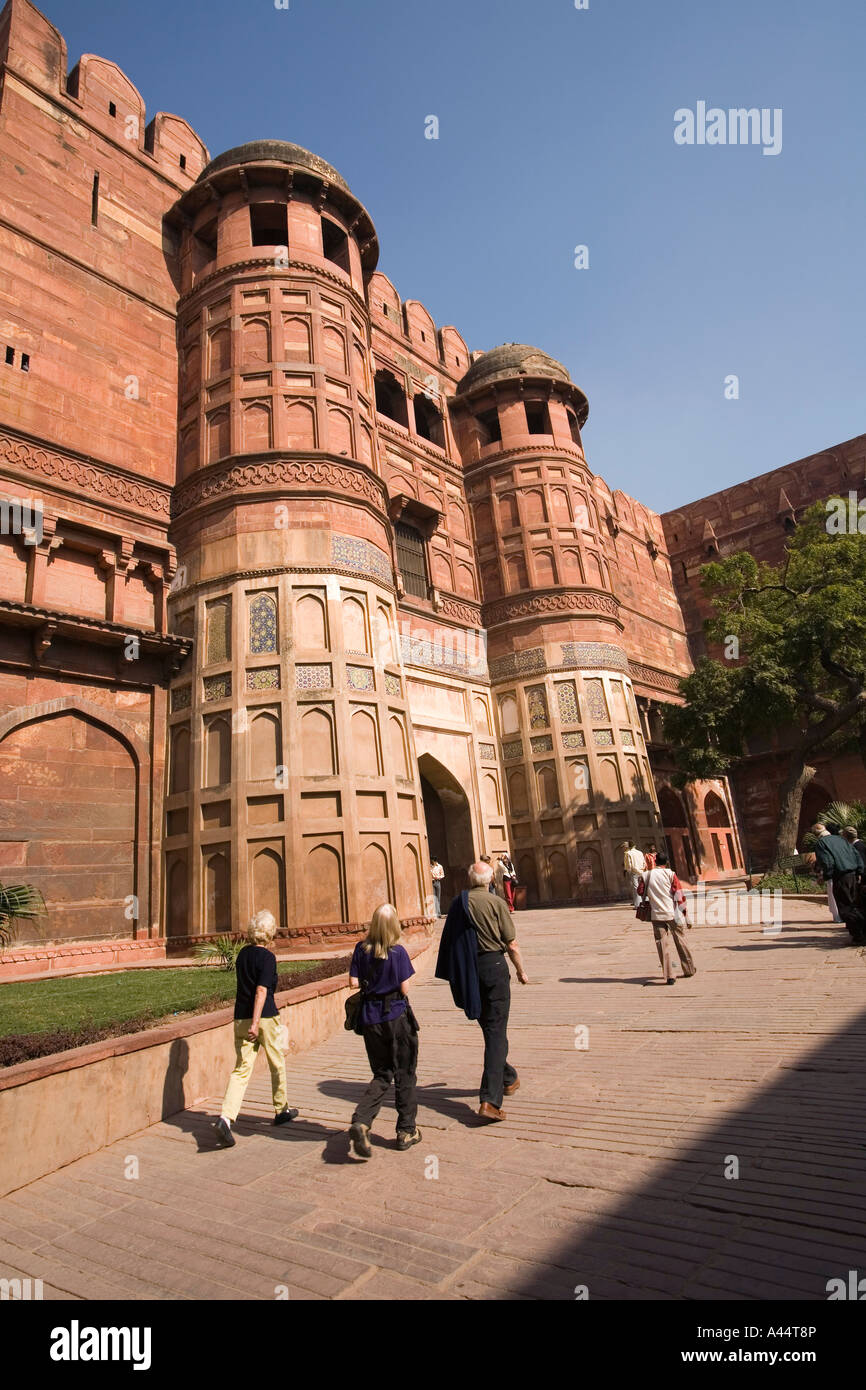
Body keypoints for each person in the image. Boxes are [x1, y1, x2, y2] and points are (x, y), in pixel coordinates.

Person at [435, 861, 529, 1122]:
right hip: (494, 968)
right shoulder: (496, 903)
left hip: (469, 972)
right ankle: (490, 1100)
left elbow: (450, 942)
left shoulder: (457, 904)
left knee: (491, 1029)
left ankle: (508, 1077)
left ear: (469, 879)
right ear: (490, 880)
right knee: (496, 1031)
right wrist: (521, 971)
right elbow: (512, 943)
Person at [214, 910, 299, 1146]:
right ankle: (281, 1110)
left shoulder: (242, 955)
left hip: (239, 1018)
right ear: (270, 932)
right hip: (263, 1018)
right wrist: (256, 1022)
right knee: (276, 1062)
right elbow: (261, 991)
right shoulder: (267, 958)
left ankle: (225, 1118)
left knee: (241, 1070)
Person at [348, 904, 421, 1158]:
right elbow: (404, 988)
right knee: (404, 1072)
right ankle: (406, 1130)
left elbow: (353, 982)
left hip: (370, 1019)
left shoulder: (361, 949)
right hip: (396, 1018)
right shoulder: (398, 953)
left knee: (381, 1073)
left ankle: (362, 1120)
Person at [637, 851, 696, 985]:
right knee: (681, 940)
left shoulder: (646, 875)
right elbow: (679, 895)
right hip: (672, 913)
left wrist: (644, 875)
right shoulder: (670, 874)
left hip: (656, 914)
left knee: (661, 944)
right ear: (666, 862)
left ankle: (669, 975)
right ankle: (689, 969)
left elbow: (640, 891)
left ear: (654, 861)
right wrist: (686, 915)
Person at [812, 822, 865, 944]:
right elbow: (855, 855)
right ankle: (860, 932)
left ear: (816, 835)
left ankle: (858, 936)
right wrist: (859, 872)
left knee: (845, 907)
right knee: (855, 904)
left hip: (840, 876)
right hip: (853, 875)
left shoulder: (821, 843)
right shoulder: (841, 839)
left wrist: (826, 876)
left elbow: (827, 861)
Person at [623, 840, 647, 908]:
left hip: (634, 872)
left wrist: (629, 871)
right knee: (643, 887)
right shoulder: (640, 852)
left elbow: (628, 865)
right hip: (641, 871)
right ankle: (646, 902)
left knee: (636, 888)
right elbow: (644, 863)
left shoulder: (628, 853)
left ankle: (638, 905)